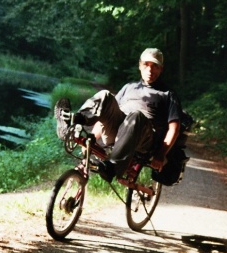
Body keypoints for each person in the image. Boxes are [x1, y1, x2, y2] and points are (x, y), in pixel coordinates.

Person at [55, 48, 183, 182]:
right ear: (140, 65)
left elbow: (174, 128)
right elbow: (105, 114)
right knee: (105, 95)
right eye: (146, 64)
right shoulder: (129, 87)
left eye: (155, 66)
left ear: (161, 69)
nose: (150, 70)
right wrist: (92, 139)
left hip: (144, 138)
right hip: (118, 128)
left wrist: (161, 154)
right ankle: (73, 124)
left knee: (136, 116)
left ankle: (113, 167)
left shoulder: (168, 94)